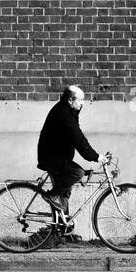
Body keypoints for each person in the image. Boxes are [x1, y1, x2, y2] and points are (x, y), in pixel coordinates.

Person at [36, 85, 101, 222]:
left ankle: (61, 230)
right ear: (70, 100)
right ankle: (50, 195)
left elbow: (76, 134)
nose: (82, 103)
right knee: (77, 173)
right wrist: (95, 156)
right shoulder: (63, 114)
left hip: (59, 157)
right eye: (80, 100)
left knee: (65, 192)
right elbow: (77, 137)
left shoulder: (68, 111)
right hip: (52, 158)